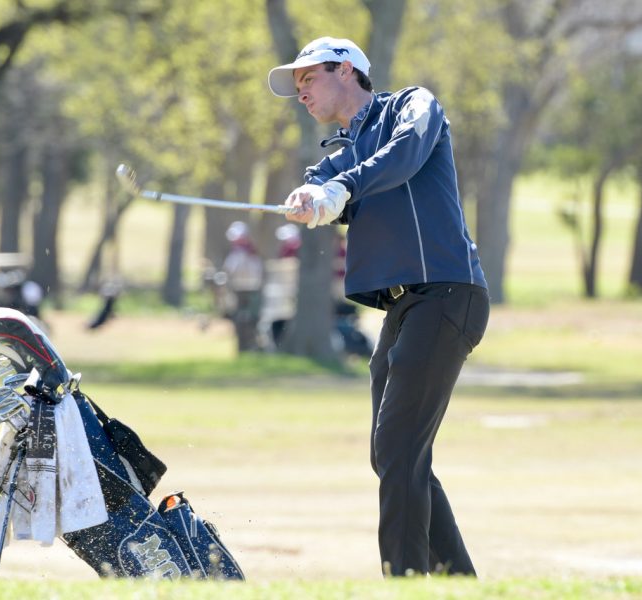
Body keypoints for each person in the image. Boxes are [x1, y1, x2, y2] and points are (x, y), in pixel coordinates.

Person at [269, 37, 489, 577]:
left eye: (308, 80)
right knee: (391, 453)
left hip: (448, 293)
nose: (301, 94)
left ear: (346, 70)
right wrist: (311, 196)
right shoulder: (343, 154)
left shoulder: (413, 107)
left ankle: (406, 579)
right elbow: (323, 181)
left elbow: (404, 152)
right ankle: (457, 582)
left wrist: (340, 186)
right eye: (296, 87)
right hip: (403, 309)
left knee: (396, 446)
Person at [221, 221, 264, 353]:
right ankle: (244, 346)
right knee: (241, 319)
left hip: (248, 290)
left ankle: (250, 345)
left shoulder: (247, 252)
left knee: (249, 319)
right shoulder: (241, 252)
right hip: (241, 289)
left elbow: (231, 270)